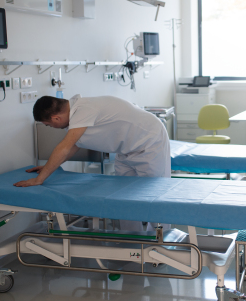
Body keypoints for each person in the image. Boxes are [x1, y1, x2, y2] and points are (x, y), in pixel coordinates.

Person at [13, 94, 171, 231]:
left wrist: (38, 180)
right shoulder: (77, 113)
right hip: (125, 150)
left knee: (155, 195)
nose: (52, 127)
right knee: (124, 196)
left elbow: (65, 147)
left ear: (56, 118)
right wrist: (48, 168)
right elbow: (72, 147)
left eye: (49, 125)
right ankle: (132, 238)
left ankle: (161, 241)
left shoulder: (83, 110)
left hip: (150, 143)